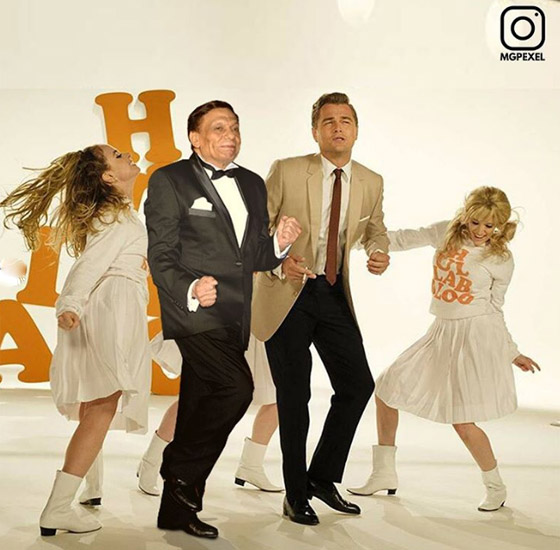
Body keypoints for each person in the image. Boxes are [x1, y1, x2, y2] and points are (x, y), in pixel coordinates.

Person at [144, 100, 301, 539]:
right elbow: (161, 254)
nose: (230, 135)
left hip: (237, 312)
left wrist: (280, 244)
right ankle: (177, 468)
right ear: (194, 138)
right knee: (237, 389)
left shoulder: (251, 182)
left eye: (234, 127)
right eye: (218, 128)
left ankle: (176, 510)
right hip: (194, 310)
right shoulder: (169, 180)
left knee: (199, 401)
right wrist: (191, 287)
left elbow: (254, 256)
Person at [347, 186, 540, 511]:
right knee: (386, 389)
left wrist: (511, 351)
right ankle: (384, 473)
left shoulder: (500, 259)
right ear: (466, 216)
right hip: (441, 331)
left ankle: (495, 486)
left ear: (499, 225)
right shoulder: (446, 233)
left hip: (476, 337)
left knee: (462, 421)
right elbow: (403, 238)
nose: (481, 231)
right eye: (475, 222)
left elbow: (496, 308)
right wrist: (355, 242)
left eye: (490, 226)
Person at [251, 92, 390, 525]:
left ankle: (321, 478)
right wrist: (279, 261)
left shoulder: (371, 181)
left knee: (358, 385)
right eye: (328, 121)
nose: (337, 127)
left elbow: (376, 229)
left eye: (345, 120)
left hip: (332, 292)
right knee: (295, 397)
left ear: (356, 129)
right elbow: (255, 229)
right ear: (315, 131)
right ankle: (295, 494)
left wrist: (379, 251)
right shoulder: (288, 170)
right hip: (286, 293)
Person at [1, 144, 151, 536]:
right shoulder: (115, 215)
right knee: (103, 403)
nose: (127, 154)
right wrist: (69, 303)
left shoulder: (117, 213)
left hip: (113, 304)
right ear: (107, 176)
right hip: (113, 308)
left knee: (97, 401)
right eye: (117, 155)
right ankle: (57, 508)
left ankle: (90, 486)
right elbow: (89, 265)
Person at [139, 333, 282, 496]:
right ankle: (152, 460)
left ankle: (252, 465)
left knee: (279, 394)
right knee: (200, 393)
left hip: (261, 329)